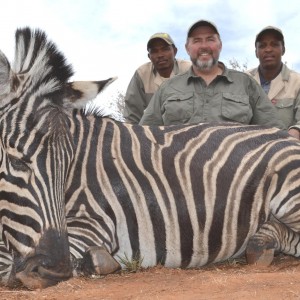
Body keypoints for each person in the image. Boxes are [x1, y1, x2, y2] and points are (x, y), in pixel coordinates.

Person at [139, 20, 285, 131]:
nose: (204, 46)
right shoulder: (168, 88)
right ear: (187, 48)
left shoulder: (246, 83)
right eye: (196, 40)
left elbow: (275, 132)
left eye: (210, 39)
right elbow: (144, 136)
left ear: (220, 45)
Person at [123, 32, 191, 124]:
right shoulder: (142, 74)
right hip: (153, 133)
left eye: (165, 49)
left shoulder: (189, 70)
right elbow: (132, 115)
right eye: (154, 51)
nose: (160, 55)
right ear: (149, 57)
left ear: (174, 51)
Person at [246, 26, 300, 139]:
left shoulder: (297, 81)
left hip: (286, 149)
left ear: (283, 50)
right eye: (262, 45)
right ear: (256, 52)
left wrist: (290, 139)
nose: (268, 49)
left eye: (274, 44)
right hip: (247, 149)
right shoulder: (244, 79)